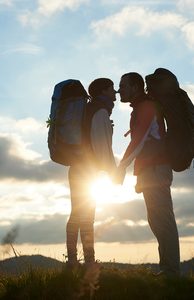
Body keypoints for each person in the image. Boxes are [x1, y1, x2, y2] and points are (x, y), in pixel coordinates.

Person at [111, 72, 180, 276]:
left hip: (155, 170)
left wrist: (121, 167)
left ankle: (171, 271)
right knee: (157, 221)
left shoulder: (147, 107)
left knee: (163, 220)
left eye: (122, 86)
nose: (118, 90)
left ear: (135, 87)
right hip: (150, 170)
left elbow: (138, 141)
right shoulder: (141, 108)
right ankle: (167, 269)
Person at [66, 78, 117, 268]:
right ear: (104, 91)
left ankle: (72, 260)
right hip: (87, 169)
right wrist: (113, 171)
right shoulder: (100, 110)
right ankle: (89, 261)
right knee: (87, 216)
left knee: (76, 214)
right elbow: (102, 145)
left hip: (75, 166)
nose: (116, 92)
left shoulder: (86, 109)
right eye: (112, 88)